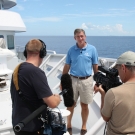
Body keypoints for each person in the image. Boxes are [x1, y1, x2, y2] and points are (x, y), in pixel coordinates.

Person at [10, 39, 61, 135]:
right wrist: (57, 98)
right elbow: (53, 103)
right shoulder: (35, 72)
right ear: (41, 53)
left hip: (19, 123)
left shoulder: (17, 69)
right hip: (32, 128)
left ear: (26, 52)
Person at [62, 28, 98, 135]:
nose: (80, 38)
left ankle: (84, 125)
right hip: (73, 80)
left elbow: (95, 65)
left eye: (82, 36)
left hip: (87, 81)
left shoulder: (92, 49)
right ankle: (69, 124)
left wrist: (98, 83)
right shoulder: (71, 50)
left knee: (84, 105)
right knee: (70, 104)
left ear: (85, 36)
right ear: (75, 38)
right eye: (78, 36)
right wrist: (63, 81)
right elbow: (67, 65)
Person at [94, 51, 135, 135]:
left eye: (118, 69)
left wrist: (103, 95)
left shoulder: (114, 93)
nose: (118, 74)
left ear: (123, 68)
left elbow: (105, 117)